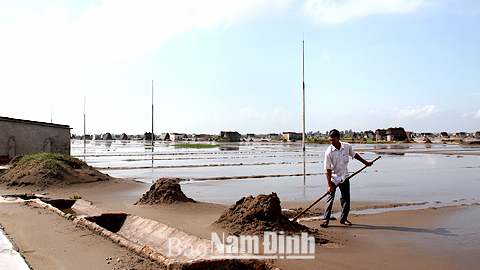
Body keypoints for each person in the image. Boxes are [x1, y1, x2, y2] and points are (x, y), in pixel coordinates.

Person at [320, 129, 373, 227]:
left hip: (344, 177)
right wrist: (329, 186)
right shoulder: (329, 152)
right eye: (330, 140)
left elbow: (354, 155)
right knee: (330, 198)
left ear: (339, 138)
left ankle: (344, 219)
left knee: (345, 198)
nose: (332, 143)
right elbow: (328, 170)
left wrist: (365, 162)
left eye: (334, 140)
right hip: (334, 178)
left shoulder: (347, 147)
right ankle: (325, 220)